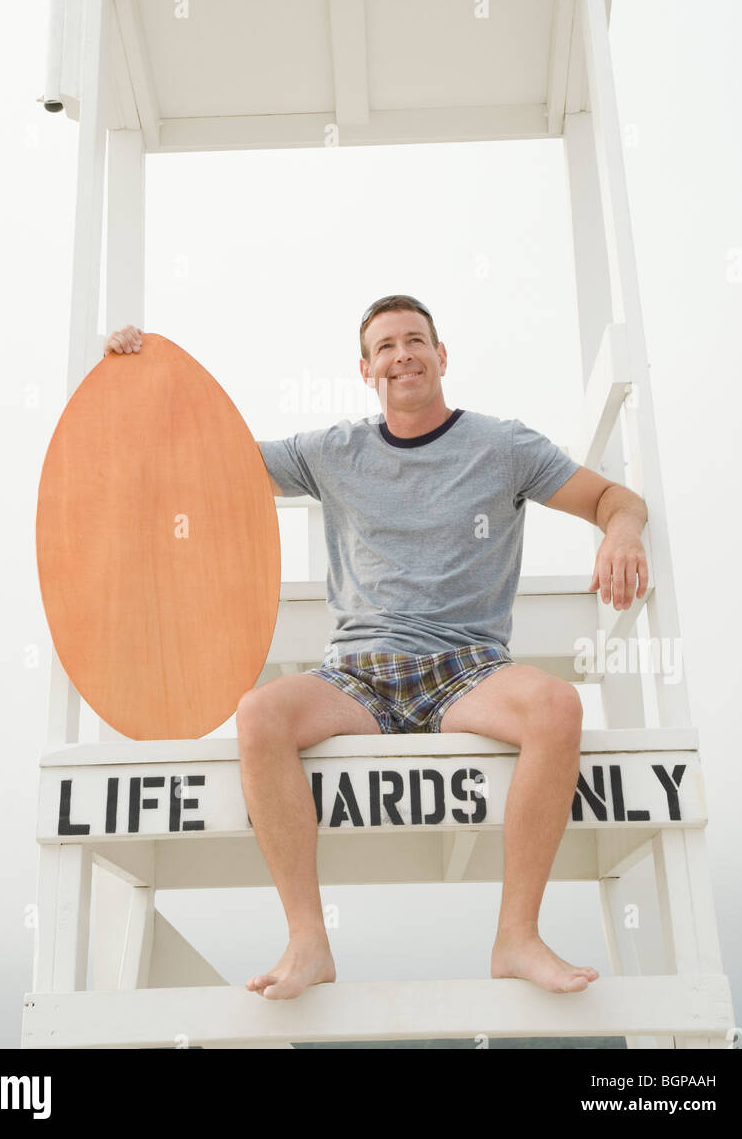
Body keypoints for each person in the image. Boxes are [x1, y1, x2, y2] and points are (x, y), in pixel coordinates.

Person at [103, 296, 649, 1001]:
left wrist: (623, 531)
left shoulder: (504, 446)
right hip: (358, 675)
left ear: (441, 356)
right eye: (386, 347)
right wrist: (139, 374)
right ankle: (308, 941)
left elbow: (614, 498)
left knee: (554, 705)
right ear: (366, 369)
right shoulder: (333, 451)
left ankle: (517, 936)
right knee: (261, 714)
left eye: (415, 341)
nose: (402, 356)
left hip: (467, 670)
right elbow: (210, 457)